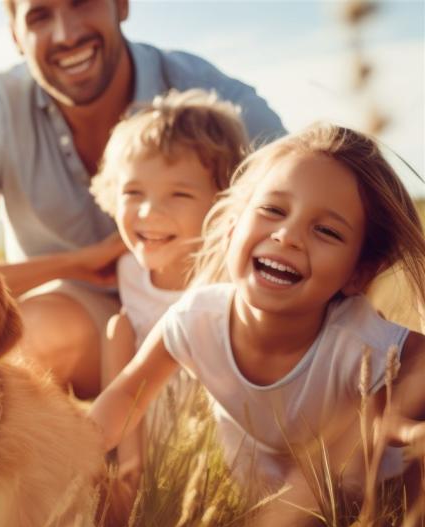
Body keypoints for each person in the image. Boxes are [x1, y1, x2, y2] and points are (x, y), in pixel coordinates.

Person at [0, 0, 283, 398]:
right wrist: (79, 264)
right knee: (23, 339)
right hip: (89, 320)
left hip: (215, 314)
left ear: (121, 5)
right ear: (16, 34)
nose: (66, 34)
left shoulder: (216, 100)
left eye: (81, 3)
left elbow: (315, 212)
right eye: (39, 16)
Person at [90, 123, 425, 501]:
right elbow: (124, 397)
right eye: (272, 209)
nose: (287, 235)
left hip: (368, 508)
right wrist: (67, 457)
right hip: (261, 503)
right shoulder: (195, 318)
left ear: (357, 273)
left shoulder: (357, 342)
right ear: (232, 229)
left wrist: (409, 433)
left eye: (327, 231)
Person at [89, 88, 249, 483]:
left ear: (224, 201)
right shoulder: (128, 272)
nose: (148, 212)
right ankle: (129, 474)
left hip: (221, 449)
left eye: (178, 193)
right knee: (117, 329)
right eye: (133, 193)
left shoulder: (230, 280)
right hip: (146, 430)